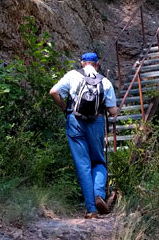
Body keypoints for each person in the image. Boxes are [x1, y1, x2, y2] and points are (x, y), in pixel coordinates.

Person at [49, 52, 118, 218]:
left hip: (75, 121)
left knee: (83, 165)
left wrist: (64, 107)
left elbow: (53, 92)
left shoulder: (72, 75)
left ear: (82, 63)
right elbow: (113, 112)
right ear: (97, 64)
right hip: (96, 122)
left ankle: (91, 209)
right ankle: (98, 194)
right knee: (98, 161)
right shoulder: (105, 82)